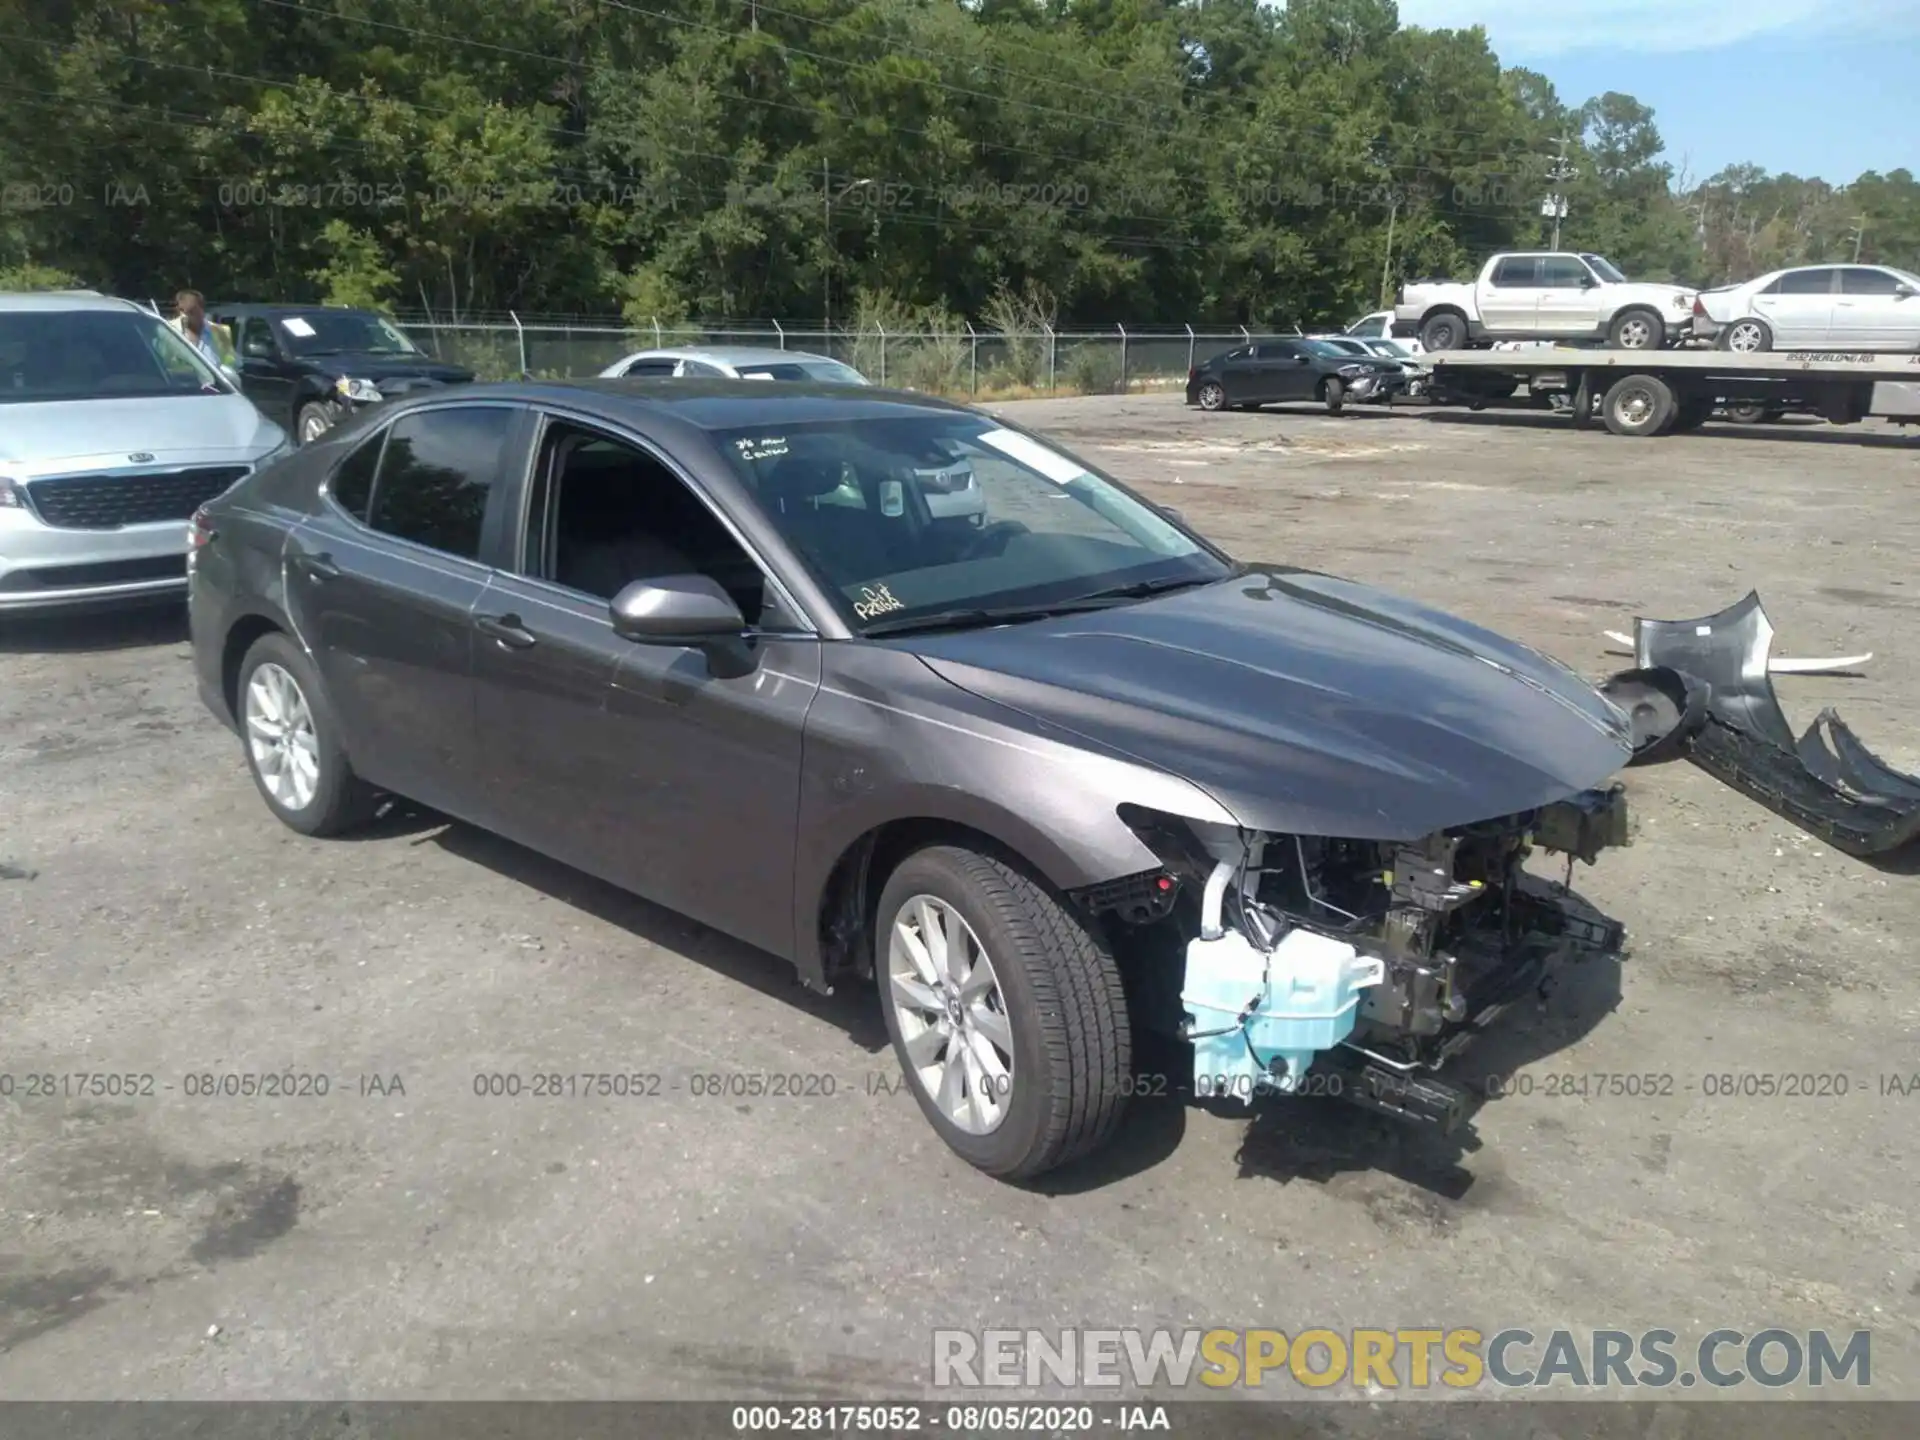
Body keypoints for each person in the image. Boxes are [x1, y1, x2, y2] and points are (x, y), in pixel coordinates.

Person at [168, 289, 235, 369]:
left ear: (202, 310)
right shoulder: (168, 330)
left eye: (191, 312)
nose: (185, 316)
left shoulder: (222, 332)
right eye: (182, 311)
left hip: (214, 381)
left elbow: (231, 364)